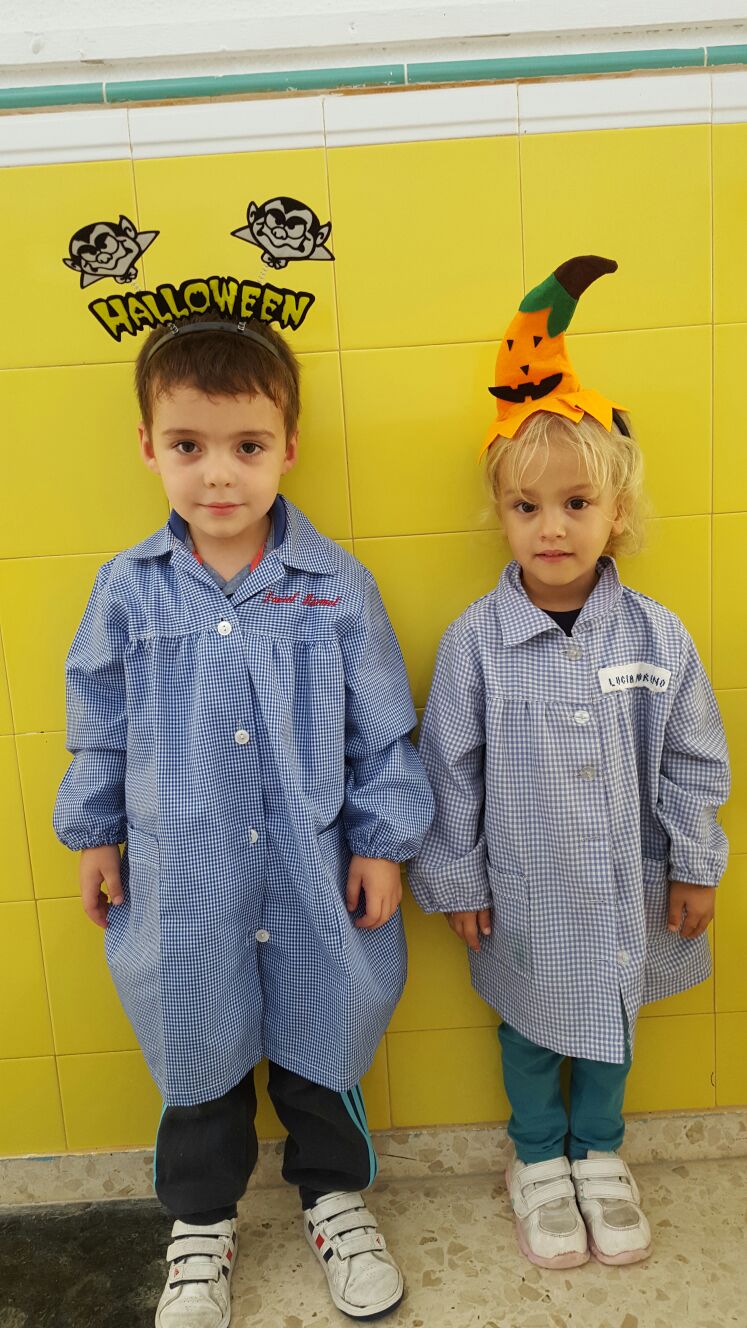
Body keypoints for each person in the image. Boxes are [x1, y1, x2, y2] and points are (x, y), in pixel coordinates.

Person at [54, 312, 434, 1326]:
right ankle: (201, 1220)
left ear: (288, 447)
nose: (218, 474)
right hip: (184, 879)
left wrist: (384, 844)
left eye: (247, 446)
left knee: (323, 1041)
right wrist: (95, 833)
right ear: (148, 446)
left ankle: (334, 1198)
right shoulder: (128, 591)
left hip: (314, 874)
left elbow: (382, 732)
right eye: (189, 445)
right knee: (197, 1052)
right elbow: (98, 726)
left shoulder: (335, 587)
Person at [409, 257, 730, 1270]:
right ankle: (537, 1158)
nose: (551, 527)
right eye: (526, 507)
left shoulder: (658, 635)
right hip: (525, 886)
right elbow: (448, 768)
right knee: (530, 1025)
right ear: (501, 513)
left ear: (616, 513)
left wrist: (696, 864)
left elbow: (694, 758)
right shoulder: (475, 642)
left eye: (576, 503)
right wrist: (458, 879)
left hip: (628, 882)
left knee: (612, 1025)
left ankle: (600, 1151)